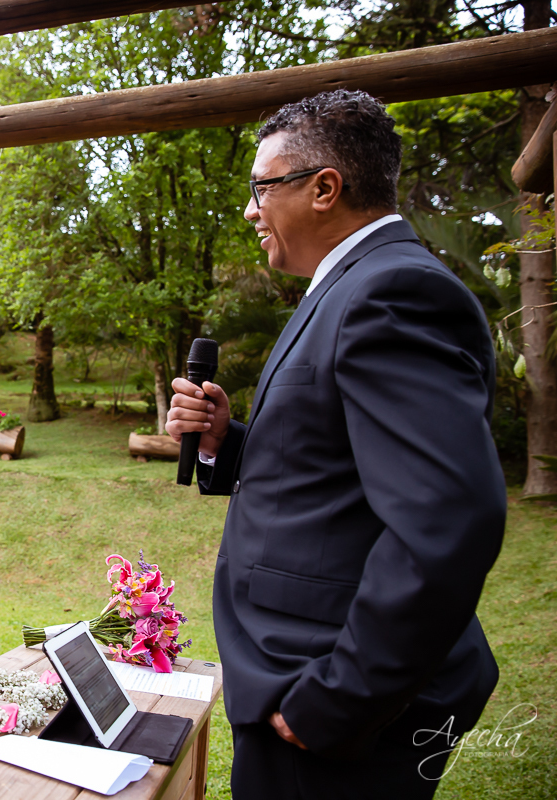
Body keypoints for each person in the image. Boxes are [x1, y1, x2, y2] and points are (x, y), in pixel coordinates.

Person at [166, 90, 505, 799]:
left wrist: (340, 699)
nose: (252, 210)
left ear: (325, 188)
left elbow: (447, 520)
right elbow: (336, 466)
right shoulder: (350, 286)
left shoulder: (393, 292)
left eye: (263, 187)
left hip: (330, 698)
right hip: (298, 672)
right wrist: (227, 440)